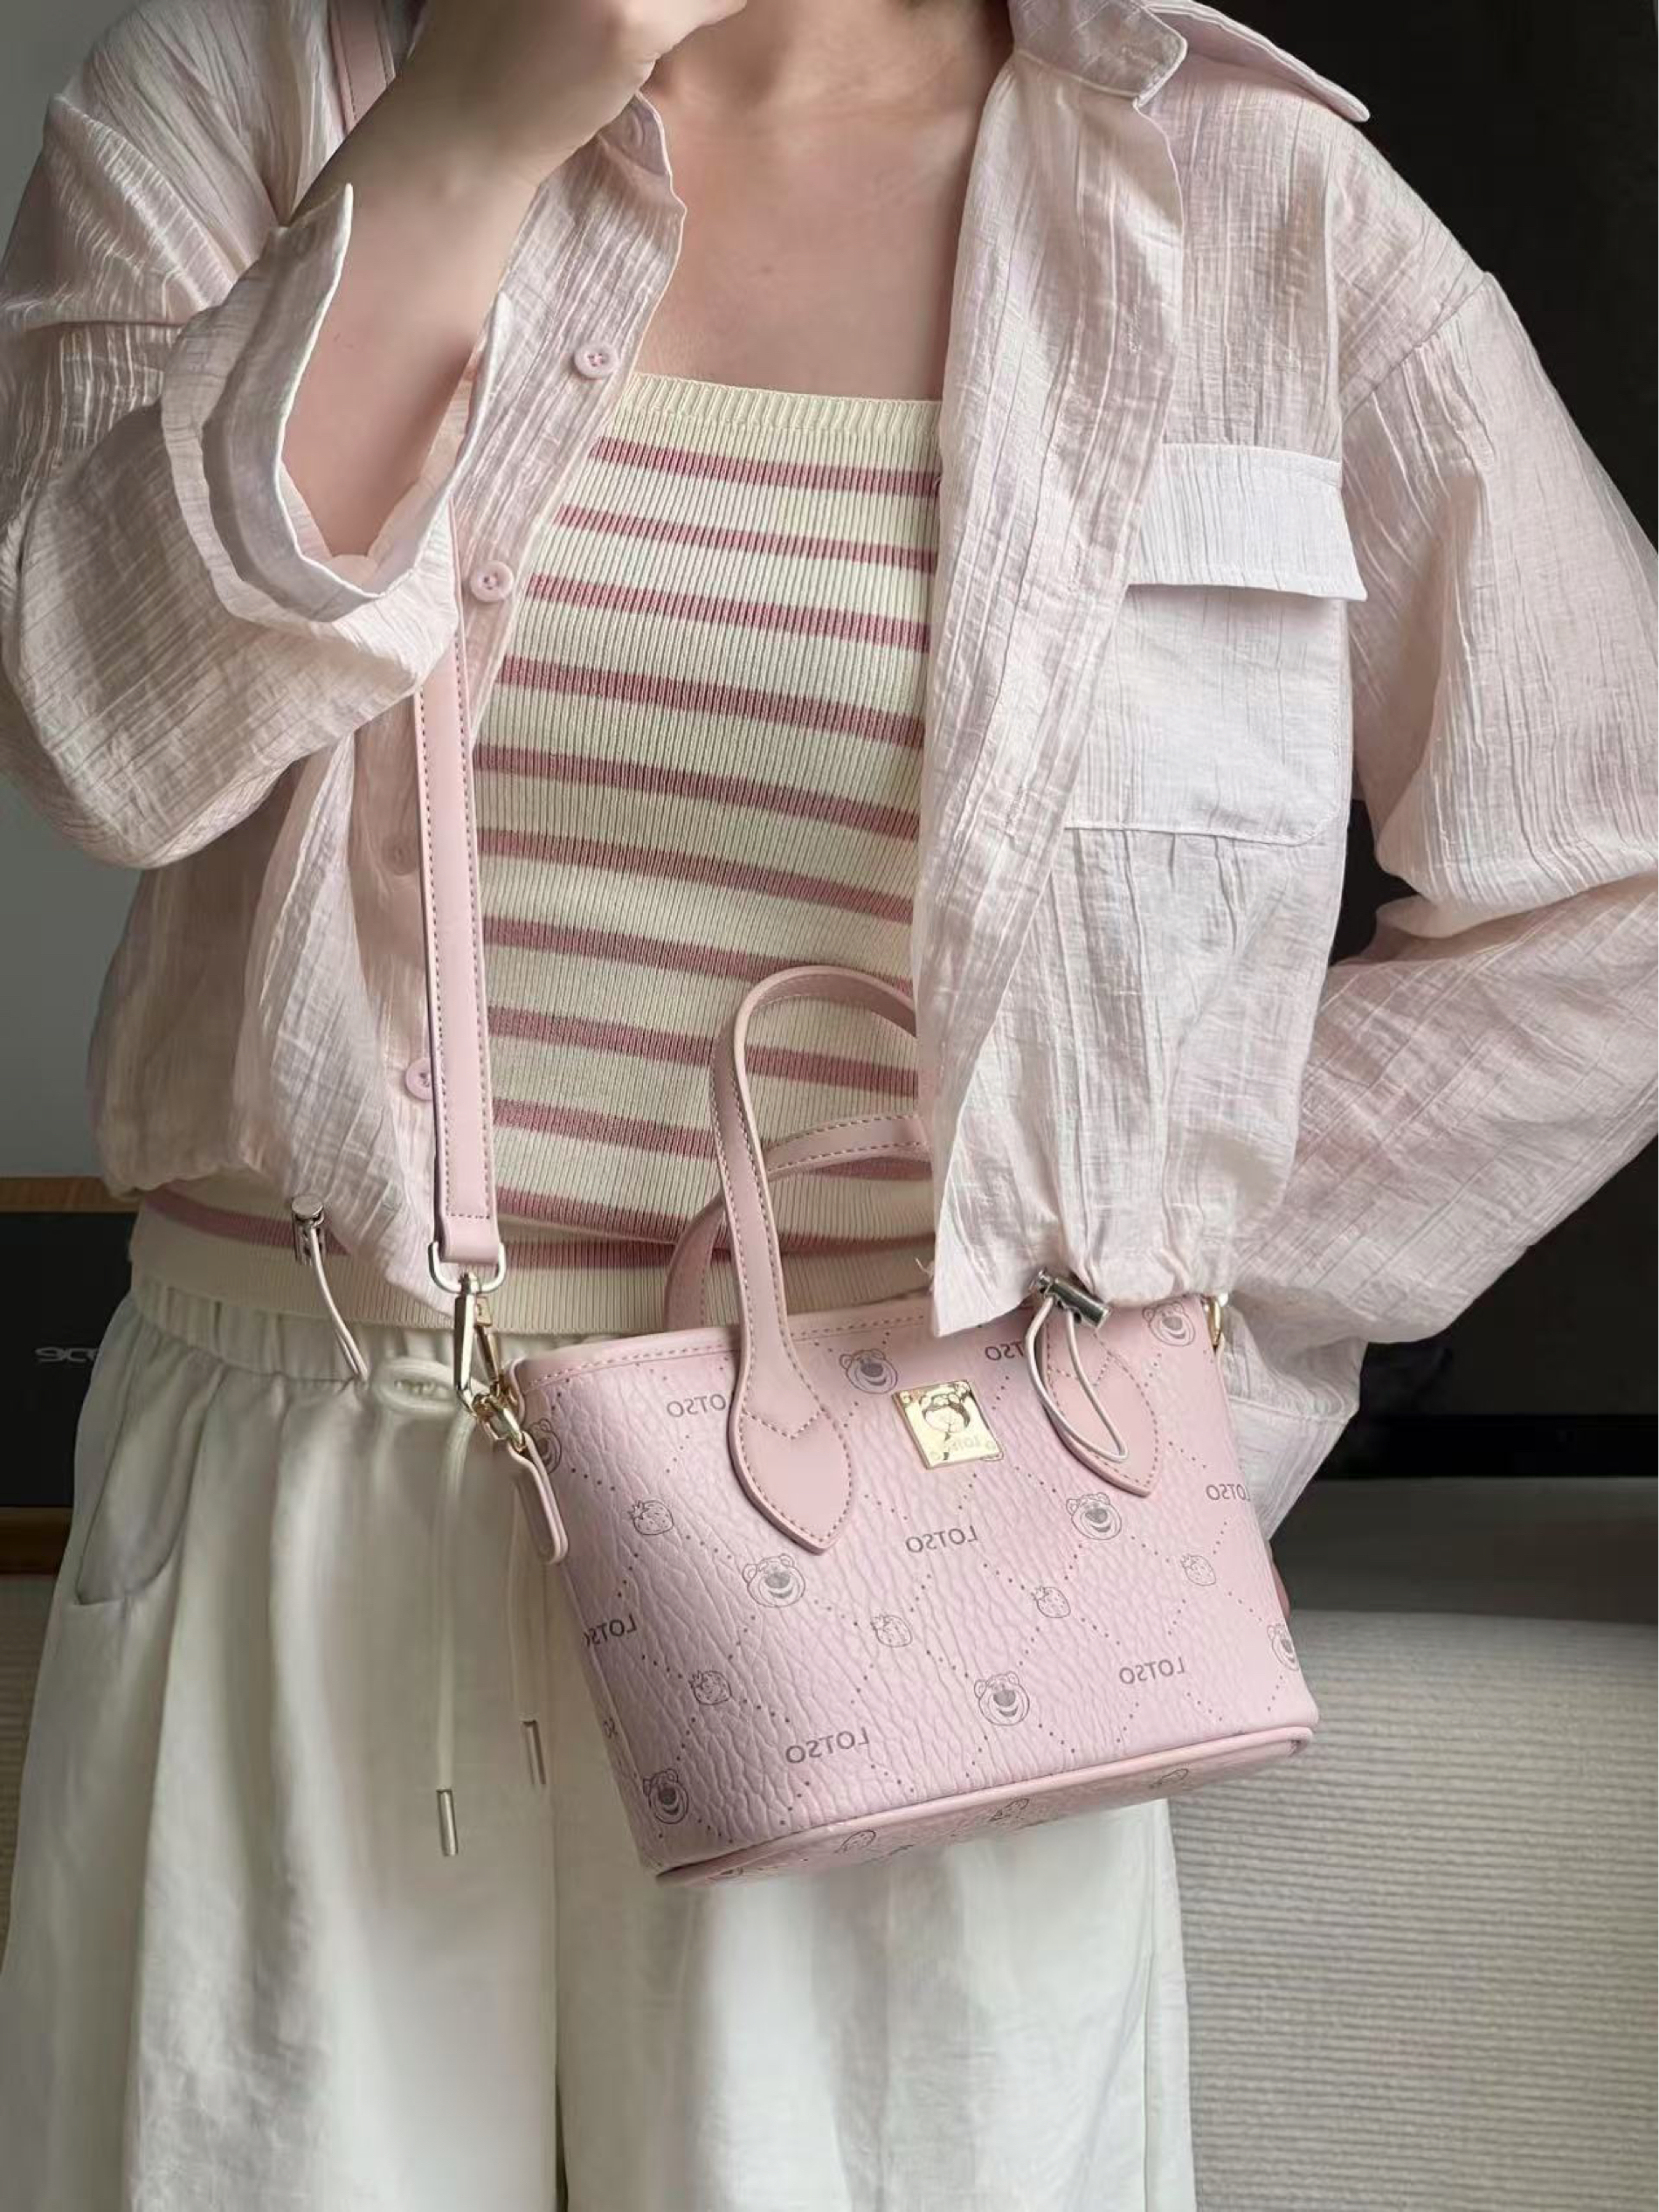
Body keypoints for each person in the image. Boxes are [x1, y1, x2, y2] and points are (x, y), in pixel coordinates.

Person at [0, 0, 1651, 2206]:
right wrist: (469, 131)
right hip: (310, 1469)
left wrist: (1142, 1329)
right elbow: (102, 740)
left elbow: (1616, 884)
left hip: (918, 1527)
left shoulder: (1257, 200)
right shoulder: (235, 93)